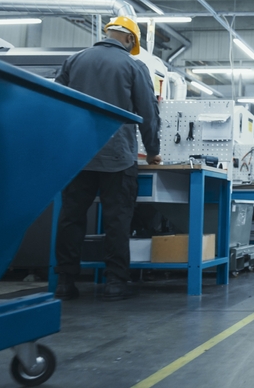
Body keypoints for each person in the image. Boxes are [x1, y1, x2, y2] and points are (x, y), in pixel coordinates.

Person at [53, 16, 161, 302]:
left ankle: (65, 282)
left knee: (71, 218)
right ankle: (115, 283)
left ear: (108, 33)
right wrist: (152, 151)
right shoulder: (133, 66)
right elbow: (147, 114)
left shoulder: (74, 60)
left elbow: (56, 103)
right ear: (129, 39)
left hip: (78, 154)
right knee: (117, 220)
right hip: (118, 156)